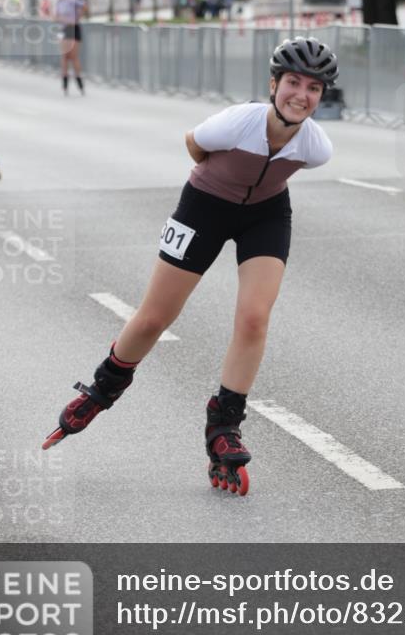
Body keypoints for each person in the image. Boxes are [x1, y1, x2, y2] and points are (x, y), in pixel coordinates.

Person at [42, 36, 339, 495]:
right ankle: (101, 389)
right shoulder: (239, 122)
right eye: (293, 83)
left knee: (255, 317)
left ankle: (223, 424)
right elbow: (194, 144)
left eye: (314, 88)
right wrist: (214, 184)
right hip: (203, 206)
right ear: (273, 83)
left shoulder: (316, 147)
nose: (302, 95)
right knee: (156, 316)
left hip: (266, 215)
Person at [55, 0, 87, 95]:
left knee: (73, 57)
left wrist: (77, 18)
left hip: (73, 29)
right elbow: (56, 17)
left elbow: (83, 5)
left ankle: (79, 82)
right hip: (64, 29)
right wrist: (62, 19)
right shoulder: (59, 2)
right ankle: (65, 83)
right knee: (64, 56)